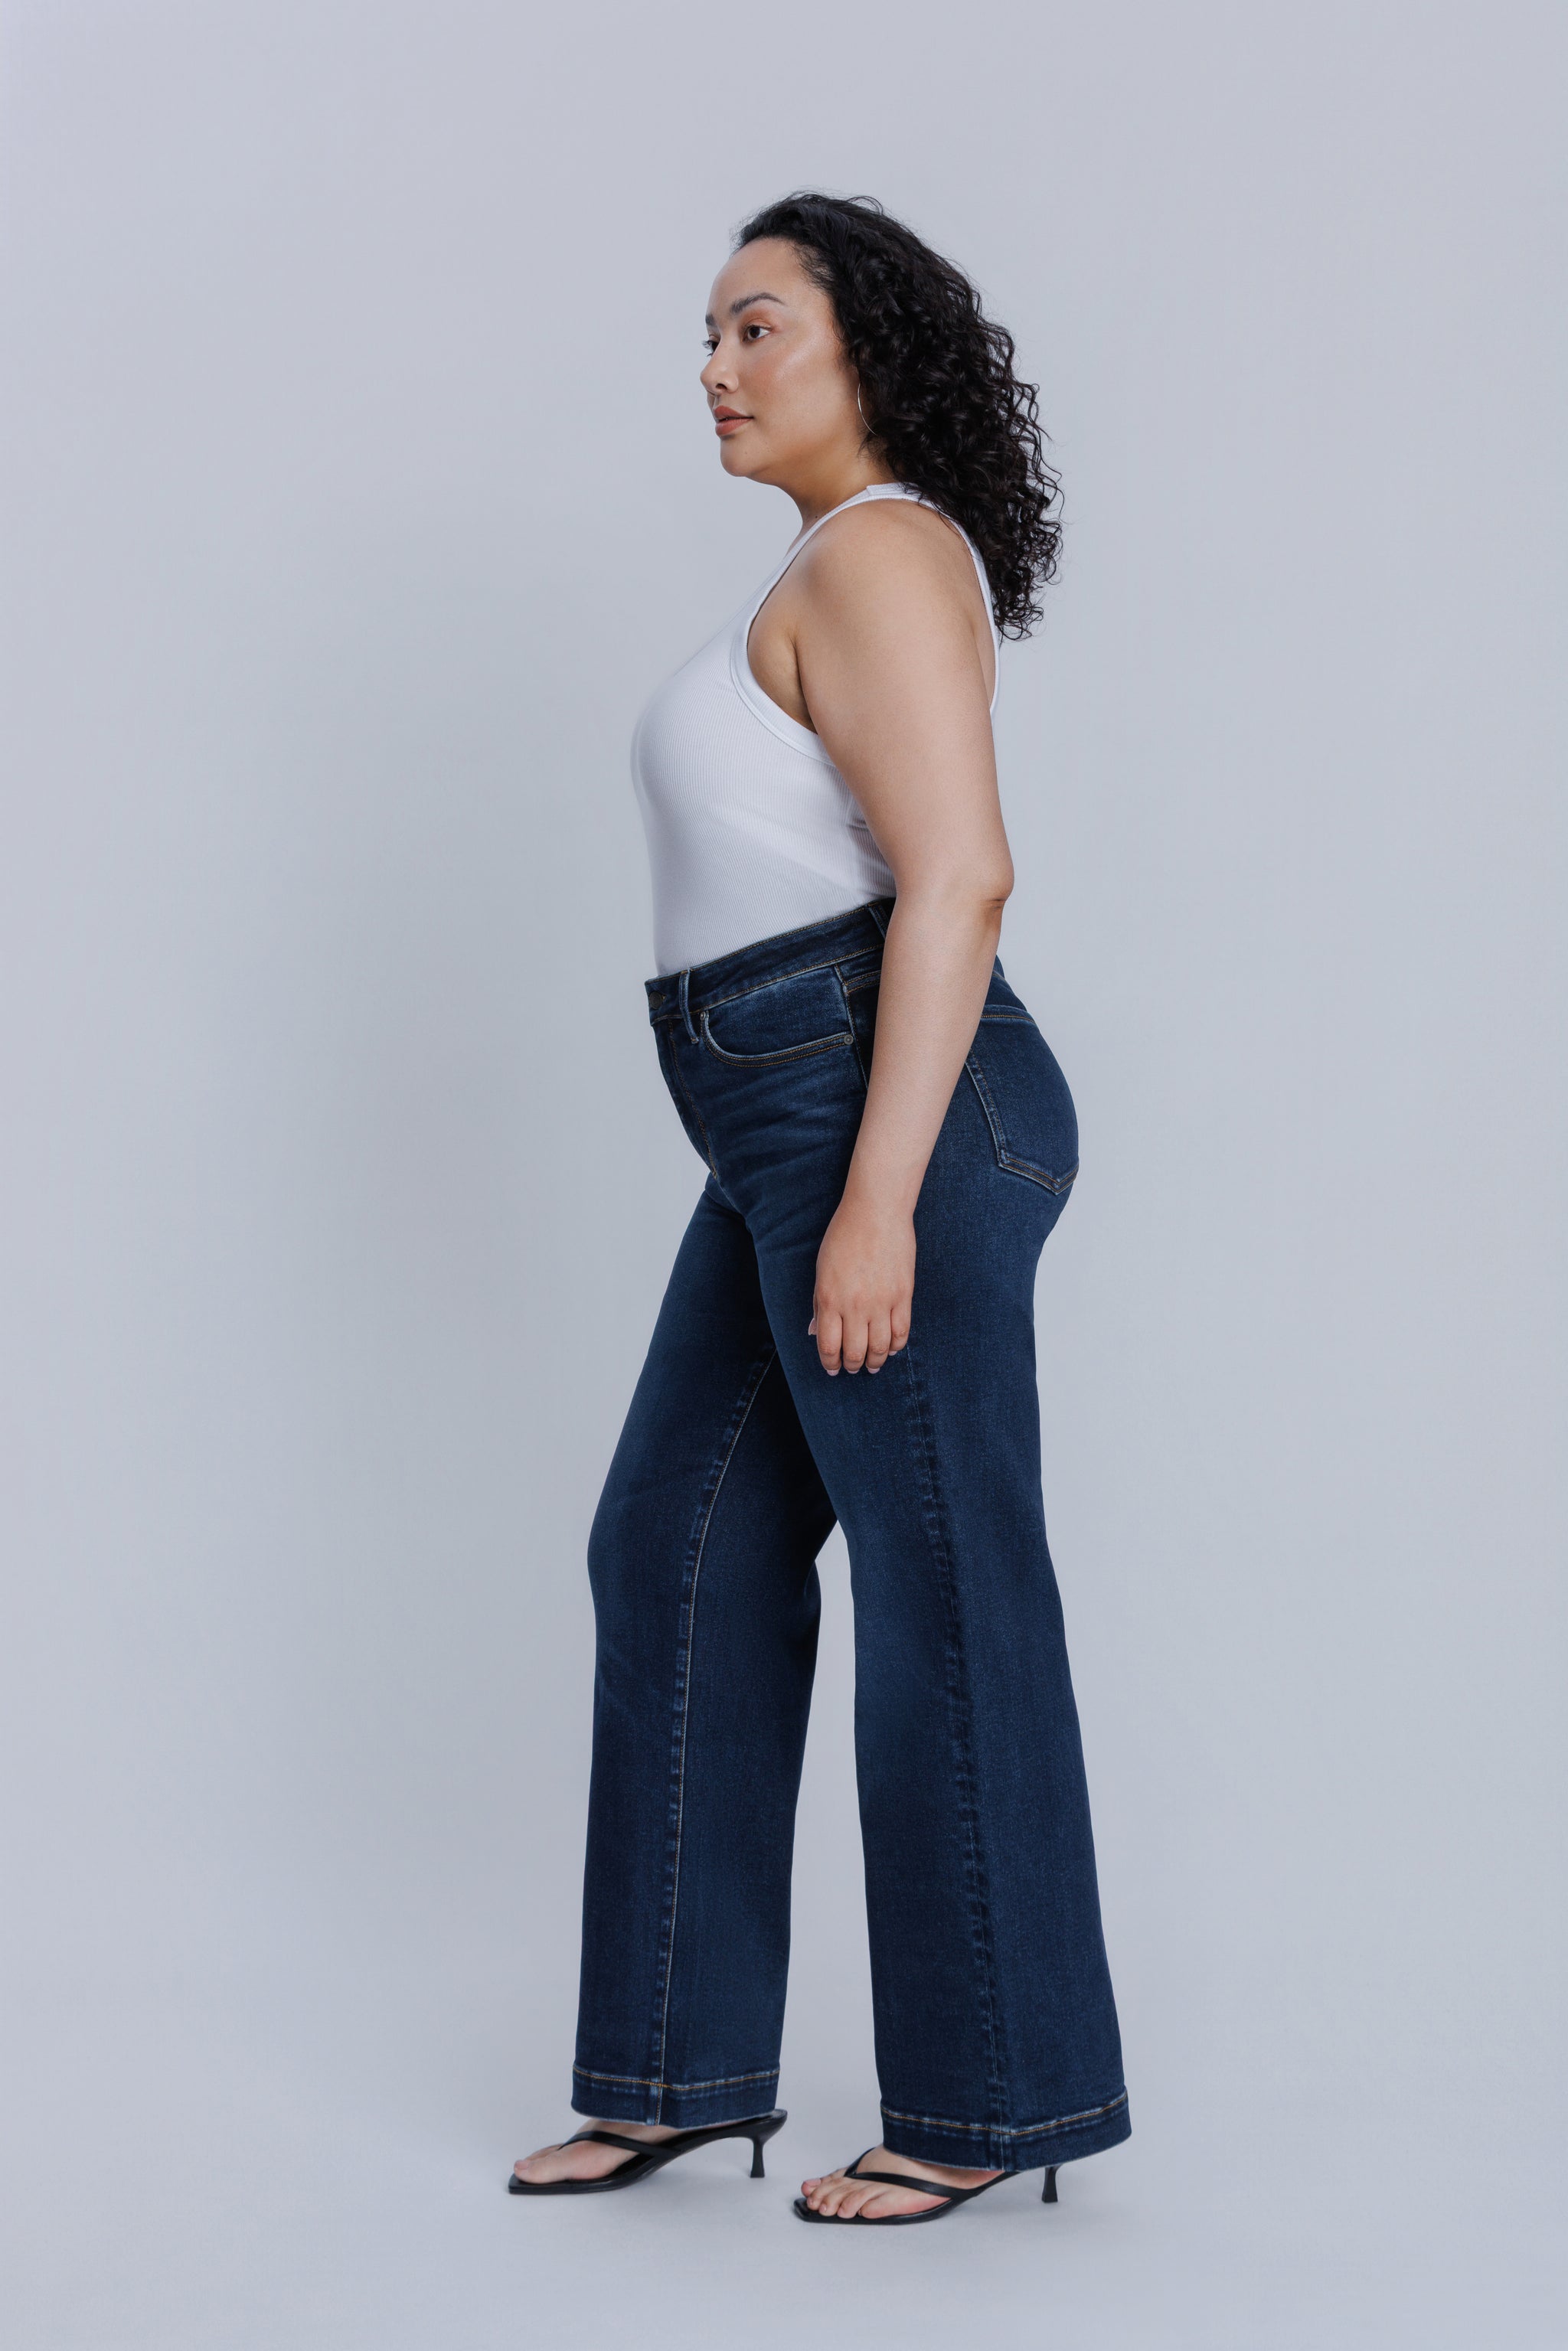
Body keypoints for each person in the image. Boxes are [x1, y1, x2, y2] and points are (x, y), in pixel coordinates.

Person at [510, 192, 1129, 2226]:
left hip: (886, 1122)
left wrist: (878, 1203)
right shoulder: (818, 568)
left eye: (757, 326)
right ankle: (679, 2064)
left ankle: (990, 2098)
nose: (715, 365)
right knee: (675, 1549)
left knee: (943, 1590)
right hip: (792, 1125)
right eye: (705, 332)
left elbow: (958, 877)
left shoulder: (878, 557)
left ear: (866, 342)